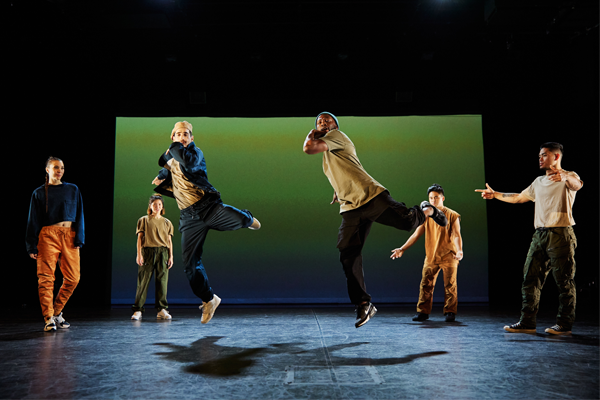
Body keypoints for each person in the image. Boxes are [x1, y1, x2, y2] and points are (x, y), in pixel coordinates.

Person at [303, 112, 448, 328]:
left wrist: (312, 133)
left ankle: (426, 210)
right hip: (351, 207)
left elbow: (308, 148)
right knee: (347, 252)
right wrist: (338, 191)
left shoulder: (336, 136)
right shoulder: (329, 153)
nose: (322, 122)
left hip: (370, 196)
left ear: (335, 125)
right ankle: (363, 303)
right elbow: (342, 172)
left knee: (407, 222)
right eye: (318, 121)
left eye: (327, 120)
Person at [152, 121, 261, 324]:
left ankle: (248, 218)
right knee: (190, 267)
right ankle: (209, 299)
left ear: (191, 139)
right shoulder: (173, 157)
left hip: (208, 208)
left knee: (238, 218)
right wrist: (161, 175)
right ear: (172, 136)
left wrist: (174, 149)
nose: (182, 137)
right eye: (178, 134)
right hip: (189, 218)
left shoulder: (195, 153)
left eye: (186, 134)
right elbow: (169, 168)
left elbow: (188, 164)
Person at [475, 142, 583, 335]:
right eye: (539, 155)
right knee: (530, 279)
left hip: (561, 234)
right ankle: (527, 322)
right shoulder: (538, 182)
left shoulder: (569, 176)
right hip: (539, 235)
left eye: (543, 155)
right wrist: (495, 195)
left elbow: (578, 185)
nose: (540, 158)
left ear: (556, 157)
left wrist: (565, 176)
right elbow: (518, 197)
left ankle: (564, 325)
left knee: (564, 281)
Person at [26, 157, 84, 332]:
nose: (60, 171)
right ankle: (48, 318)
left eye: (62, 168)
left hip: (69, 235)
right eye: (56, 167)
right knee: (46, 278)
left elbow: (80, 213)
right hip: (48, 236)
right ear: (47, 170)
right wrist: (31, 245)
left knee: (73, 278)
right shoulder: (39, 192)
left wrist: (79, 237)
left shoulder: (72, 189)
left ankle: (56, 312)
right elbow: (33, 220)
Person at [390, 184, 463, 322]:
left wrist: (459, 250)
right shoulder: (426, 215)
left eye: (436, 197)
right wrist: (402, 248)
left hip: (449, 255)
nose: (433, 201)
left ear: (442, 198)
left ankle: (450, 312)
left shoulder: (452, 215)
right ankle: (423, 312)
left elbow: (457, 235)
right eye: (431, 198)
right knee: (426, 284)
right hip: (431, 256)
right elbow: (416, 234)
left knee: (450, 285)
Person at [131, 194, 174, 321]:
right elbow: (139, 239)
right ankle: (138, 310)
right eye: (154, 204)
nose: (157, 207)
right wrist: (139, 254)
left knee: (162, 281)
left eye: (159, 204)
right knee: (143, 281)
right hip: (148, 251)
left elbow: (169, 241)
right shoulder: (143, 220)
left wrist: (171, 256)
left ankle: (162, 309)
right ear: (150, 206)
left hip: (163, 252)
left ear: (162, 207)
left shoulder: (167, 222)